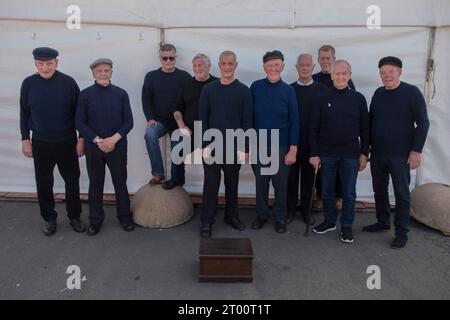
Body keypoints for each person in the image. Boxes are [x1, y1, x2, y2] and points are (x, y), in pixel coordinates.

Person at [363, 56, 430, 249]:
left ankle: (402, 232)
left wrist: (416, 150)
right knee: (380, 190)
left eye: (390, 71)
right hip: (378, 154)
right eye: (383, 73)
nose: (387, 76)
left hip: (401, 155)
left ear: (399, 72)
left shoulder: (412, 92)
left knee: (401, 194)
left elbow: (423, 122)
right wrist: (366, 149)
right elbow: (370, 122)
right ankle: (383, 221)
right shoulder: (378, 94)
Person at [20, 47, 85, 236]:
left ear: (56, 62)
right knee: (43, 182)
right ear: (35, 64)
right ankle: (49, 218)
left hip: (66, 140)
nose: (45, 68)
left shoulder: (68, 83)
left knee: (72, 180)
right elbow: (24, 113)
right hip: (40, 141)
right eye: (41, 64)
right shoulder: (28, 84)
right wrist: (25, 139)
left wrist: (81, 139)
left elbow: (79, 115)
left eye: (49, 63)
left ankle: (74, 216)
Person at [309, 60, 369, 244]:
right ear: (332, 75)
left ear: (349, 75)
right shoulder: (322, 97)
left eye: (344, 74)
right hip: (326, 153)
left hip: (350, 154)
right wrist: (314, 153)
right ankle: (329, 220)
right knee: (327, 190)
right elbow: (313, 128)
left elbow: (365, 129)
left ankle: (347, 225)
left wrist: (364, 153)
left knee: (349, 193)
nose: (341, 77)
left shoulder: (358, 98)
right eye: (337, 74)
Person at [76, 58, 134, 235]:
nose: (103, 73)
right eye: (99, 70)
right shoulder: (85, 95)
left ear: (111, 72)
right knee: (95, 184)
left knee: (120, 183)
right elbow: (79, 122)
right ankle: (95, 221)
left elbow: (129, 122)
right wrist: (97, 140)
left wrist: (113, 140)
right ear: (93, 73)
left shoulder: (121, 93)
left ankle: (125, 217)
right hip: (94, 147)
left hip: (117, 145)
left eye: (106, 70)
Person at [198, 51, 252, 238]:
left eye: (231, 63)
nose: (227, 67)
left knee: (232, 183)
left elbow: (247, 121)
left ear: (235, 65)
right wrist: (203, 144)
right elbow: (202, 118)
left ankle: (232, 216)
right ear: (219, 65)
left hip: (234, 147)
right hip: (211, 147)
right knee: (210, 184)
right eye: (224, 64)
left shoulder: (244, 91)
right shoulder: (209, 90)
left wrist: (245, 147)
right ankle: (207, 220)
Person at [250, 50, 299, 234]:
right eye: (269, 65)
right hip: (259, 144)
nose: (273, 68)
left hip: (281, 145)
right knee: (261, 184)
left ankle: (280, 216)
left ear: (283, 67)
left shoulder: (288, 90)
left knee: (280, 185)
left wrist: (293, 149)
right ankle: (261, 215)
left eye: (276, 65)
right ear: (264, 68)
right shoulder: (255, 87)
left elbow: (295, 121)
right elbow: (249, 117)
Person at [163, 53, 218, 190]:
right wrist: (182, 127)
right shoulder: (187, 84)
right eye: (194, 66)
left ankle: (211, 195)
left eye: (200, 65)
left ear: (209, 66)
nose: (197, 68)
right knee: (177, 143)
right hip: (190, 130)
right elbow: (177, 109)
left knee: (210, 162)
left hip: (211, 133)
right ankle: (177, 179)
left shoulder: (217, 84)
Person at [287, 53, 327, 225]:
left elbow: (325, 120)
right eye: (301, 65)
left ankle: (306, 210)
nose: (304, 68)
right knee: (291, 179)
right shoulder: (289, 89)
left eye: (307, 65)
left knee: (309, 181)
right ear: (296, 68)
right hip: (292, 144)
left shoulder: (322, 90)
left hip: (313, 145)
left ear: (313, 67)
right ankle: (290, 209)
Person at [142, 44, 191, 185]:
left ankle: (178, 180)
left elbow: (188, 101)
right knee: (150, 134)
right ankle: (158, 173)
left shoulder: (184, 76)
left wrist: (184, 124)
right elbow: (146, 99)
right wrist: (150, 118)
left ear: (175, 58)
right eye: (165, 58)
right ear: (160, 59)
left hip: (179, 122)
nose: (168, 61)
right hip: (159, 121)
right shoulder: (151, 76)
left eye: (171, 57)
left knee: (178, 145)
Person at [313, 45, 356, 200]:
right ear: (318, 60)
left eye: (328, 58)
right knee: (323, 178)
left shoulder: (346, 81)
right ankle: (322, 201)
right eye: (322, 58)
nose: (325, 61)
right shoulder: (314, 79)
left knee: (341, 178)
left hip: (345, 144)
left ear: (334, 59)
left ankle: (338, 201)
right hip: (323, 140)